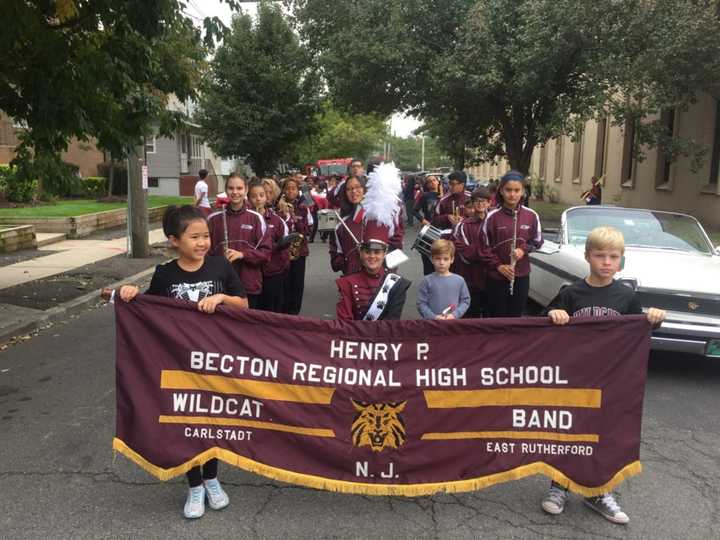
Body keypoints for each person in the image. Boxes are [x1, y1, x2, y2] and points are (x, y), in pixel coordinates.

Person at [115, 205, 248, 519]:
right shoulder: (165, 274)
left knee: (212, 422)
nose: (202, 243)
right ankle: (194, 485)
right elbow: (148, 310)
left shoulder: (220, 268)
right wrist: (132, 293)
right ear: (174, 240)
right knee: (188, 425)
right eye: (194, 237)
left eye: (206, 236)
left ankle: (213, 478)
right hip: (179, 365)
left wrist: (221, 298)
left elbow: (243, 304)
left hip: (216, 361)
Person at [540, 226, 666, 525]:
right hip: (574, 380)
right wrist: (554, 315)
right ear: (587, 257)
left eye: (614, 257)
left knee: (604, 437)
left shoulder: (625, 296)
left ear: (622, 259)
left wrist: (654, 319)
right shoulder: (571, 293)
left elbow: (641, 327)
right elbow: (542, 325)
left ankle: (600, 491)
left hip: (611, 382)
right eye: (600, 256)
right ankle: (560, 486)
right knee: (569, 434)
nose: (607, 262)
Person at [481, 170, 543, 317]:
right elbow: (483, 248)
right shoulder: (491, 217)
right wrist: (498, 266)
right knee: (497, 316)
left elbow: (537, 240)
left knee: (516, 315)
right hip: (497, 276)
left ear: (523, 192)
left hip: (521, 275)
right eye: (508, 190)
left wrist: (523, 249)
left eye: (517, 190)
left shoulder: (531, 215)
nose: (512, 194)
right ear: (501, 191)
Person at [208, 173, 271, 309]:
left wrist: (242, 254)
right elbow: (206, 254)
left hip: (248, 285)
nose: (235, 192)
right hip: (220, 285)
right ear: (226, 190)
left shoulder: (257, 219)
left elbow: (266, 254)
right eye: (231, 188)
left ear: (246, 190)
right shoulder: (213, 219)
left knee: (247, 328)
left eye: (239, 188)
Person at [336, 232, 411, 321]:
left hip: (384, 334)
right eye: (367, 252)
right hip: (355, 334)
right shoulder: (348, 283)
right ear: (361, 254)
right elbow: (344, 321)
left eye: (377, 252)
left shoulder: (397, 284)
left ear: (384, 254)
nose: (372, 256)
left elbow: (393, 322)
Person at [251, 179, 291, 312]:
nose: (259, 199)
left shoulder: (277, 220)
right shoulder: (247, 218)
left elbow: (285, 248)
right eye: (254, 195)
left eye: (263, 195)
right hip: (251, 275)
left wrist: (280, 268)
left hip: (273, 274)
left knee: (273, 310)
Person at [453, 187, 491, 317]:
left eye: (484, 201)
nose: (480, 204)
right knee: (471, 316)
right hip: (471, 279)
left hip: (491, 278)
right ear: (473, 203)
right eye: (477, 201)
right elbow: (466, 254)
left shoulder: (494, 222)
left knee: (490, 317)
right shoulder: (463, 226)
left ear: (489, 203)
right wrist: (488, 253)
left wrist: (481, 251)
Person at [279, 176, 313, 314]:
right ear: (283, 191)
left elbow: (308, 229)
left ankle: (294, 311)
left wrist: (293, 216)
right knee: (284, 281)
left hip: (299, 251)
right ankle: (285, 309)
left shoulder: (303, 208)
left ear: (298, 190)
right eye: (287, 188)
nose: (290, 191)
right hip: (284, 251)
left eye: (293, 188)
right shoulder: (279, 207)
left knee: (297, 282)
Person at [416, 239, 470, 320]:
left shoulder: (459, 280)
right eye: (438, 258)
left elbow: (465, 301)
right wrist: (433, 317)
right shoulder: (427, 281)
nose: (441, 262)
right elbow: (421, 303)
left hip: (452, 323)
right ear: (432, 259)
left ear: (452, 259)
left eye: (446, 259)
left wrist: (454, 315)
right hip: (432, 324)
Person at [413, 175, 444, 275]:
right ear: (427, 184)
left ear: (438, 182)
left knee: (442, 259)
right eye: (429, 181)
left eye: (434, 180)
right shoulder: (424, 196)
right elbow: (414, 210)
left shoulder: (445, 195)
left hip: (442, 231)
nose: (432, 182)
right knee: (427, 258)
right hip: (429, 230)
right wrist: (423, 220)